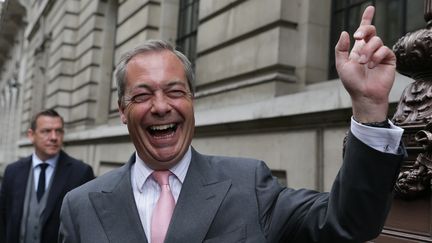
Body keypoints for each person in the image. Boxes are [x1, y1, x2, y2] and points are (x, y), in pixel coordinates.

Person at [59, 6, 404, 243]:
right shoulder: (80, 205)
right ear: (122, 110)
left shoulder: (250, 184)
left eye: (175, 91)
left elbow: (349, 222)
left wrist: (369, 108)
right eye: (143, 95)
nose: (161, 106)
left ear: (192, 101)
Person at [0, 109, 95, 243]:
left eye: (59, 131)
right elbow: (3, 219)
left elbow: (87, 224)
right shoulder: (13, 171)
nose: (54, 137)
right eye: (46, 131)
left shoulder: (81, 173)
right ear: (31, 135)